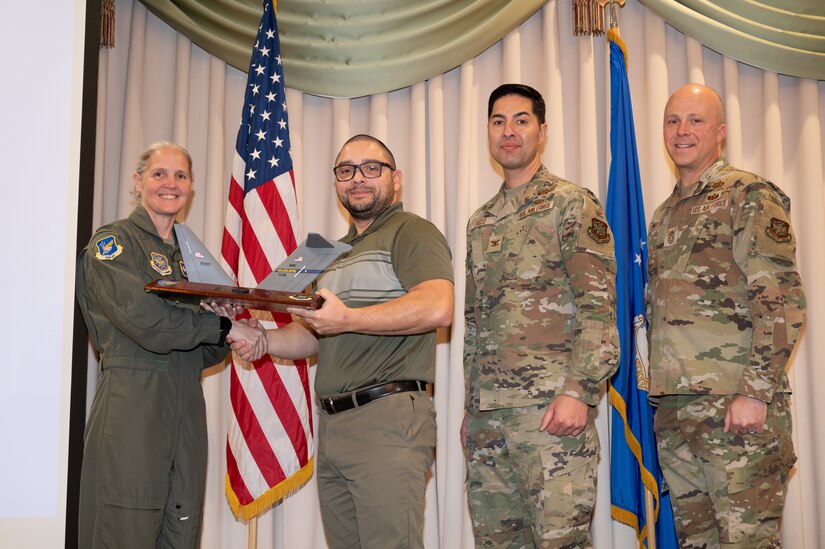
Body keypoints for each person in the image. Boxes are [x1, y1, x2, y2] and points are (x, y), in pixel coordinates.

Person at [229, 134, 454, 549]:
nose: (358, 179)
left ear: (396, 178)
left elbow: (438, 306)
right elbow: (316, 336)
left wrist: (347, 317)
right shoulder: (329, 254)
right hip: (332, 426)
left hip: (387, 420)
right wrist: (263, 340)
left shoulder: (412, 232)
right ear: (336, 183)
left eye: (371, 168)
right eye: (346, 171)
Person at [75, 141, 265, 549]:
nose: (170, 184)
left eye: (180, 176)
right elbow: (146, 322)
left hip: (185, 404)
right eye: (159, 174)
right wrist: (223, 327)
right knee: (126, 526)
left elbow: (206, 349)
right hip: (134, 402)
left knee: (182, 525)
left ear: (191, 186)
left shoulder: (190, 259)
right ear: (138, 181)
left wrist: (227, 318)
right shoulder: (114, 245)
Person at [647, 84, 807, 548]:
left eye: (695, 120)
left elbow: (780, 298)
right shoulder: (663, 215)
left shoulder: (748, 193)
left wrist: (756, 393)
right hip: (677, 410)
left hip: (735, 406)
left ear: (720, 132)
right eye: (673, 120)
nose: (682, 131)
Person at [461, 83, 619, 548]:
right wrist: (472, 407)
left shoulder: (571, 203)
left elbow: (599, 306)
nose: (508, 132)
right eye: (498, 121)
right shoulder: (480, 220)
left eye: (521, 120)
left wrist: (580, 390)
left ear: (542, 131)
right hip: (489, 421)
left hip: (552, 415)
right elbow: (474, 323)